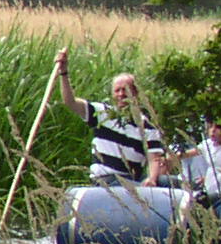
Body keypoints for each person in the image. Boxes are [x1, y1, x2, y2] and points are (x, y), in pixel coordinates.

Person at [53, 48, 167, 184]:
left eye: (125, 90)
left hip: (132, 180)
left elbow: (154, 158)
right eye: (117, 90)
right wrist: (64, 73)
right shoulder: (102, 113)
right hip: (107, 179)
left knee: (166, 182)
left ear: (135, 93)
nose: (120, 94)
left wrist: (152, 179)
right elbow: (70, 102)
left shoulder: (148, 127)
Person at [174, 119, 221, 199]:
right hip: (210, 186)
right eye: (211, 127)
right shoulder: (207, 144)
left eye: (217, 128)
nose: (213, 130)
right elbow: (188, 153)